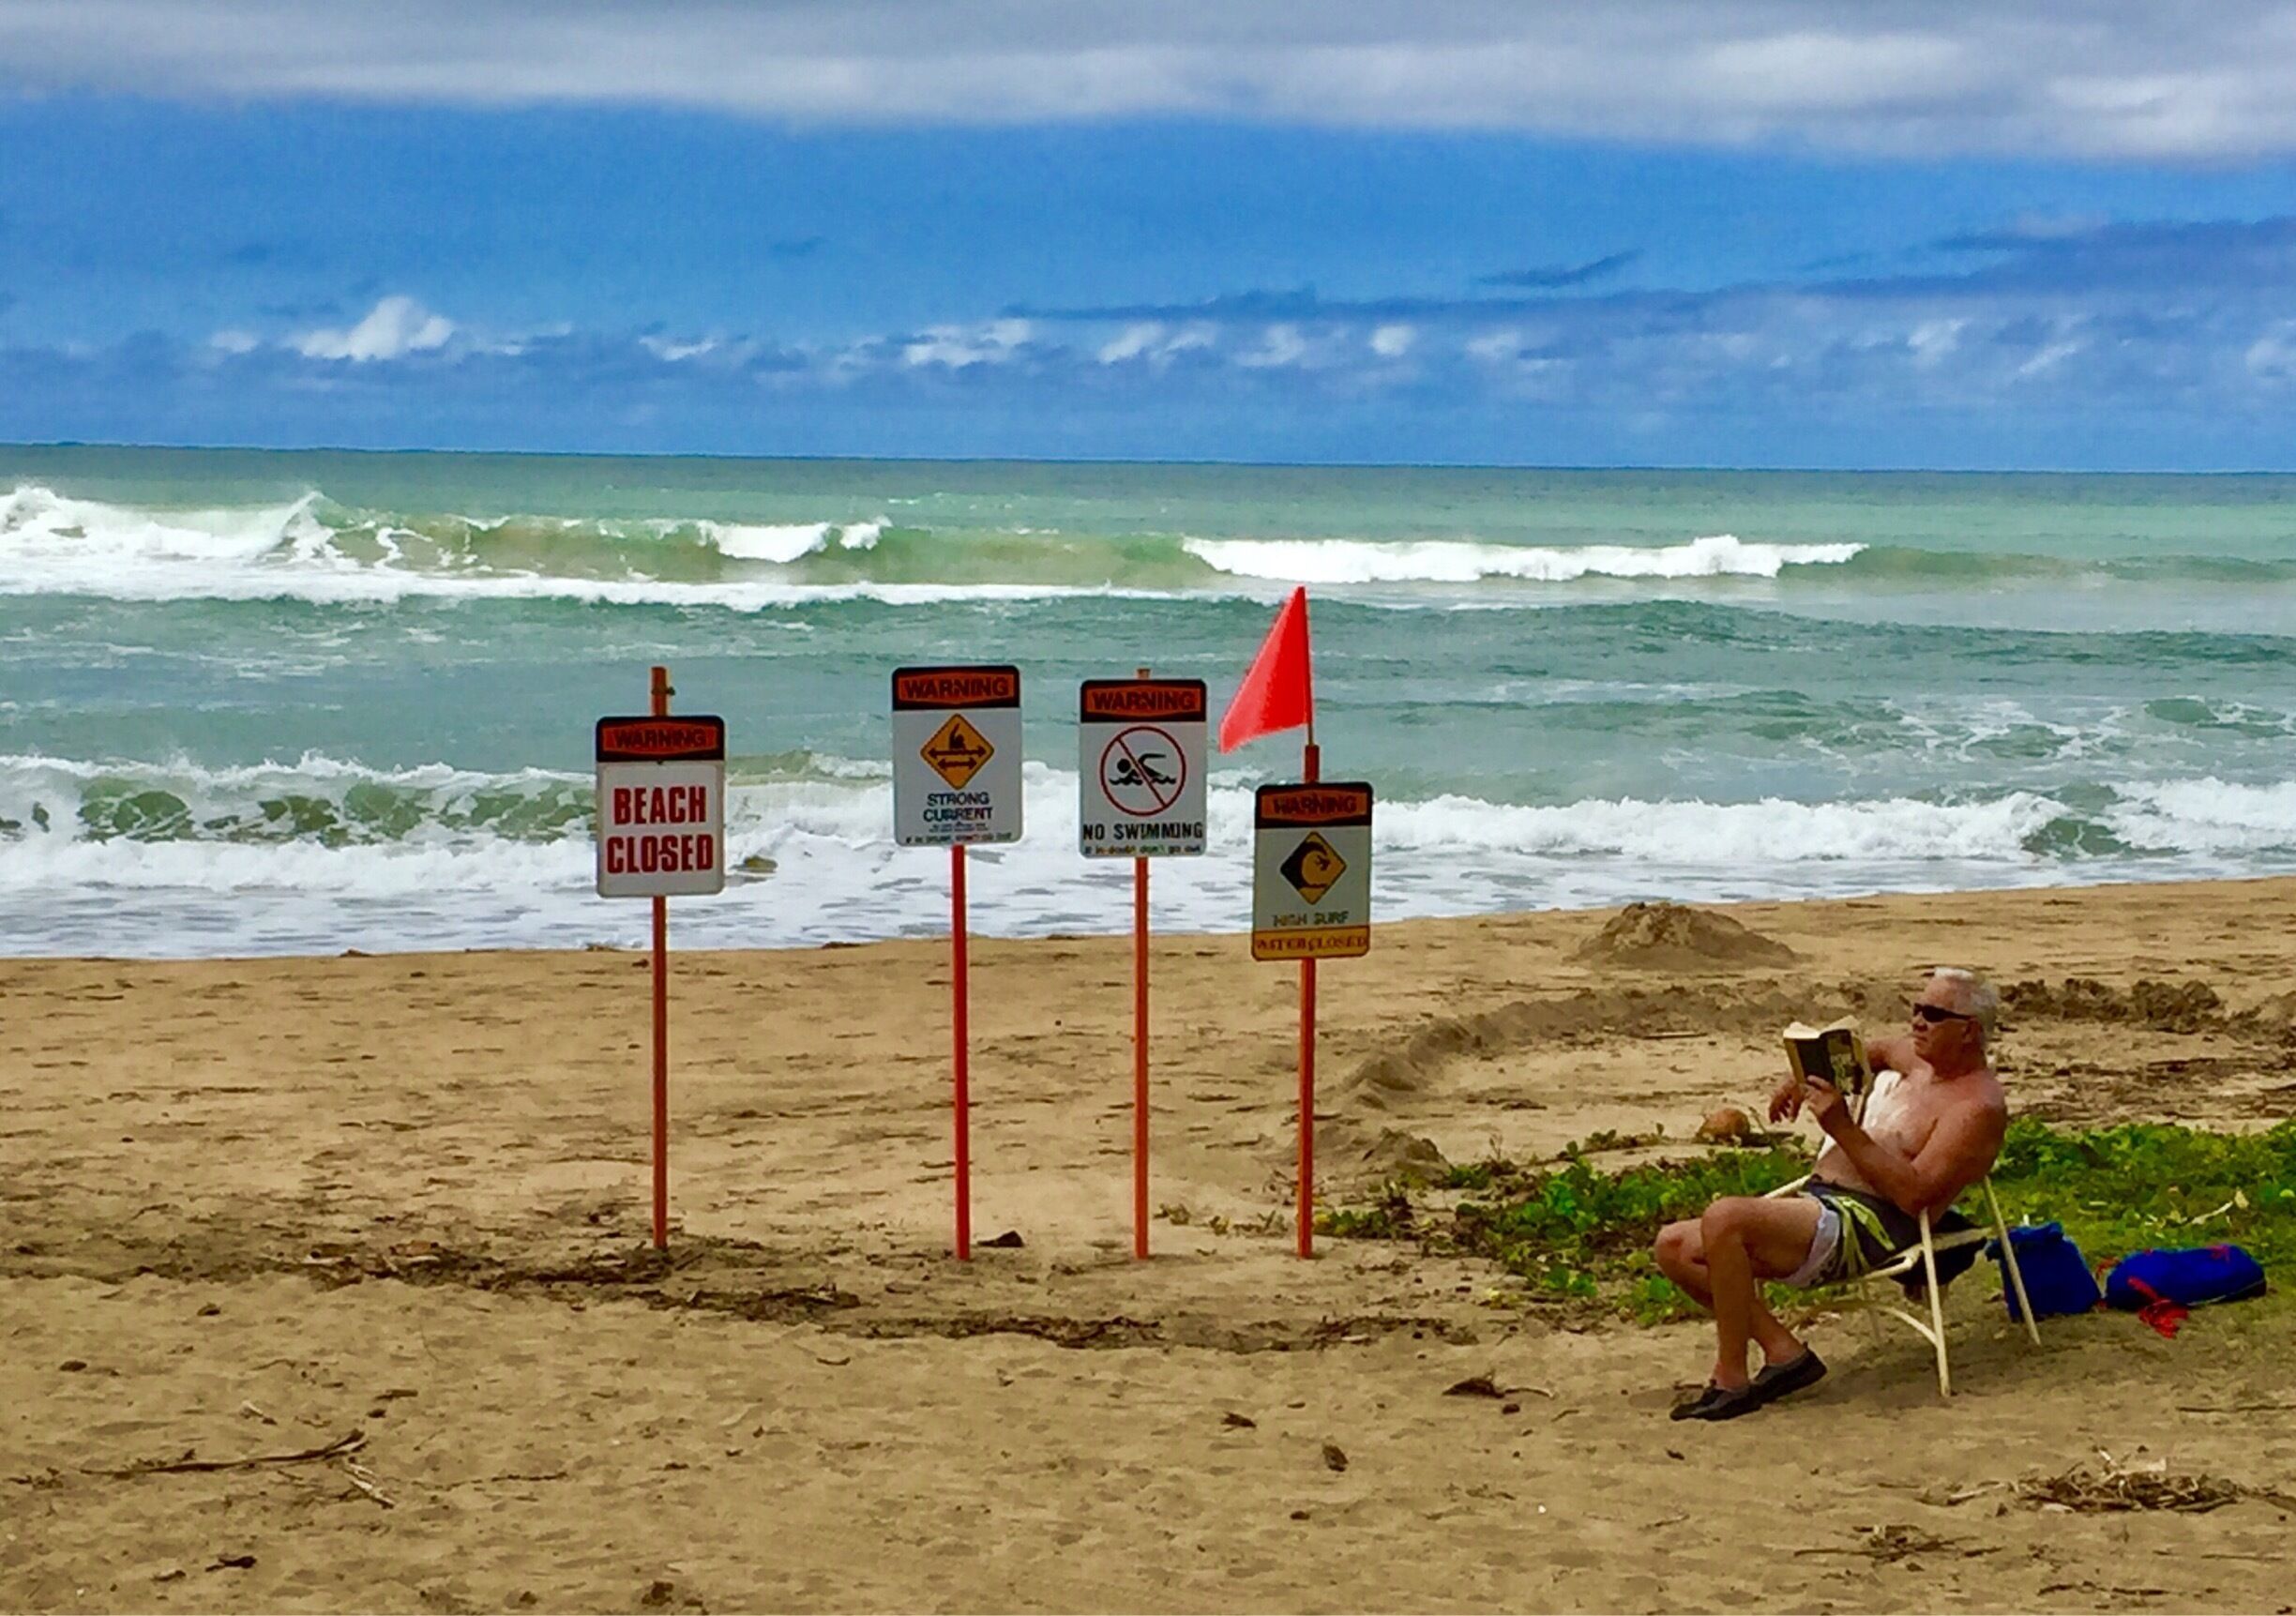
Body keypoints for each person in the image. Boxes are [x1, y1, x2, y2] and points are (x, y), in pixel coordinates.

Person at [1652, 968, 2008, 1421]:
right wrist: (1807, 1075)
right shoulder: (1921, 1063)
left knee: (1725, 1218)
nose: (1917, 1021)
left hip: (1872, 1224)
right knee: (1674, 1247)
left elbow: (1914, 1195)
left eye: (1933, 1014)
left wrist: (1841, 1127)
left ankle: (1731, 1378)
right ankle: (1785, 1353)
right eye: (1915, 1009)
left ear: (1969, 1031)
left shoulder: (1975, 1108)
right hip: (1823, 1202)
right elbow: (1875, 1050)